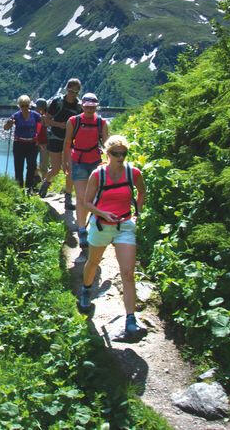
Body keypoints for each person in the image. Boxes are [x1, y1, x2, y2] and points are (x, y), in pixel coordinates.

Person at [77, 135, 146, 337]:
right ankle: (86, 289)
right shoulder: (98, 175)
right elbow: (86, 202)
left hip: (124, 225)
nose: (120, 157)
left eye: (124, 153)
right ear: (107, 154)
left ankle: (130, 319)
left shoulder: (133, 173)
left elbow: (142, 192)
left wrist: (137, 215)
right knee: (93, 262)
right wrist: (102, 213)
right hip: (101, 226)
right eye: (116, 153)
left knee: (127, 273)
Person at [62, 93, 110, 249]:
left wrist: (110, 164)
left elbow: (106, 145)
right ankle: (82, 230)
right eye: (87, 106)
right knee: (82, 198)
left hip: (96, 163)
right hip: (78, 162)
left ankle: (91, 227)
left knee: (95, 198)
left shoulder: (102, 123)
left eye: (93, 107)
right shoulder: (73, 121)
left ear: (96, 107)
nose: (90, 109)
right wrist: (65, 161)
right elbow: (68, 142)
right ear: (82, 106)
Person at [43, 78, 84, 203]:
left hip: (70, 141)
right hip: (56, 137)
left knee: (70, 169)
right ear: (67, 89)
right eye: (71, 91)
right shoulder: (57, 102)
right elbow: (46, 120)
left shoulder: (79, 106)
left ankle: (68, 198)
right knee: (56, 169)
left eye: (76, 92)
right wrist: (59, 125)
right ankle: (46, 182)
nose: (73, 94)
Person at [3, 95, 42, 194]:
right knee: (18, 167)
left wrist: (40, 139)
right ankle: (19, 189)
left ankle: (29, 188)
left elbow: (43, 126)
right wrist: (9, 123)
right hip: (19, 144)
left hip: (32, 144)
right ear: (19, 106)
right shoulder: (15, 116)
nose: (24, 107)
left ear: (29, 105)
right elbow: (6, 128)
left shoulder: (35, 115)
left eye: (26, 105)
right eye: (22, 106)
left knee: (31, 167)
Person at [34, 98, 50, 194]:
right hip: (37, 142)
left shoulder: (47, 117)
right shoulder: (34, 117)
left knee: (43, 165)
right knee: (34, 164)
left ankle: (44, 186)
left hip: (44, 143)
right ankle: (37, 182)